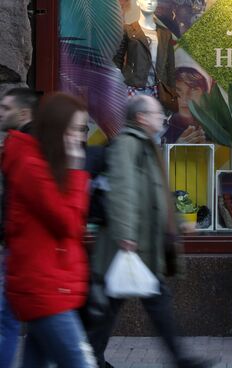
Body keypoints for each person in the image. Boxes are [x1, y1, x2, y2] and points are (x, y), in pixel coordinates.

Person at [87, 95, 212, 368]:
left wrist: (178, 221)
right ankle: (89, 358)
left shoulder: (145, 145)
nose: (162, 120)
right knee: (114, 306)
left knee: (136, 303)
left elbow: (157, 192)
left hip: (142, 243)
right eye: (157, 114)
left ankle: (178, 358)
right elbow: (122, 190)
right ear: (142, 117)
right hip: (129, 244)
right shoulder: (127, 145)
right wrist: (126, 234)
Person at [1, 92, 95, 367]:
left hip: (48, 287)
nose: (81, 137)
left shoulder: (42, 163)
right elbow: (68, 223)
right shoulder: (32, 166)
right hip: (44, 289)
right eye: (77, 129)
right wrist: (78, 170)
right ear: (59, 129)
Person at [0, 87, 39, 368]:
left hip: (24, 248)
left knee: (8, 319)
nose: (1, 113)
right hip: (21, 247)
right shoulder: (19, 144)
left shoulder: (24, 148)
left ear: (24, 113)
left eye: (6, 109)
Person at [113, 0, 175, 106]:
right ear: (137, 2)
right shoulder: (128, 30)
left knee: (152, 121)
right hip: (132, 87)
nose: (150, 2)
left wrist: (171, 92)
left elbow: (170, 67)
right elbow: (117, 61)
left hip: (158, 90)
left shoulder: (165, 34)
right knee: (129, 121)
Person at [162, 66, 208, 144]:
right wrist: (176, 147)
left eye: (193, 89)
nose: (185, 98)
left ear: (205, 94)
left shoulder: (218, 130)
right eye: (178, 90)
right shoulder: (163, 127)